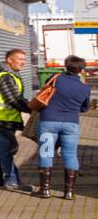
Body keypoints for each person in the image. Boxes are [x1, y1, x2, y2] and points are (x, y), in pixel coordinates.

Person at [34, 55, 92, 199]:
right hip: (71, 124)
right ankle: (69, 192)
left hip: (48, 122)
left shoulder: (55, 79)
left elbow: (44, 93)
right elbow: (84, 108)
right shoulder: (85, 88)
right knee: (70, 155)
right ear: (82, 70)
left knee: (46, 153)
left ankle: (45, 190)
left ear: (66, 66)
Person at [0, 49, 33, 191]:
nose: (23, 62)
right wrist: (32, 109)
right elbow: (13, 99)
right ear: (10, 60)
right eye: (20, 59)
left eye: (24, 59)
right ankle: (12, 181)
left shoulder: (1, 74)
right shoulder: (6, 77)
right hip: (2, 119)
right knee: (7, 150)